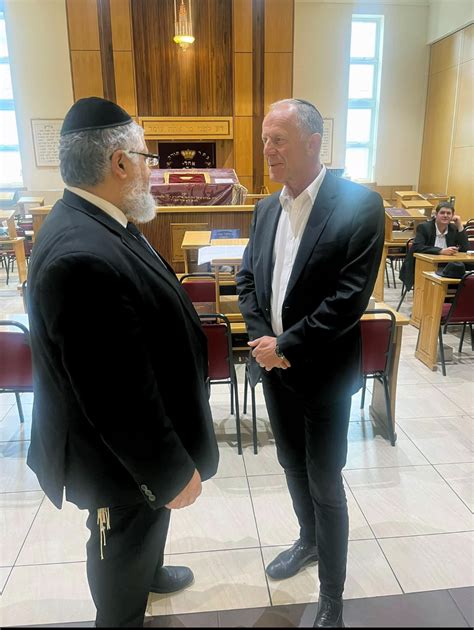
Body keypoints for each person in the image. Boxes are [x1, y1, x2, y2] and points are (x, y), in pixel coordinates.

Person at [26, 97, 219, 627]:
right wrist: (169, 472)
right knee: (121, 540)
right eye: (146, 158)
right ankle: (120, 615)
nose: (151, 170)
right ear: (119, 163)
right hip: (116, 457)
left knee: (145, 526)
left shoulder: (100, 219)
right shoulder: (82, 255)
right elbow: (117, 399)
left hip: (129, 444)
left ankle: (149, 571)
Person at [237, 98, 384, 628]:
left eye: (278, 139)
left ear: (313, 142)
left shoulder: (359, 205)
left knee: (325, 480)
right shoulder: (265, 208)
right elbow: (247, 280)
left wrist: (286, 346)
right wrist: (264, 342)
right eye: (265, 139)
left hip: (323, 374)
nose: (268, 149)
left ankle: (332, 596)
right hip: (274, 371)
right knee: (291, 466)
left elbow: (348, 300)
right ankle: (308, 540)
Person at [399, 202, 469, 292]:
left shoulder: (453, 228)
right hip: (425, 265)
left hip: (447, 266)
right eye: (442, 213)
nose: (445, 216)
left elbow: (465, 249)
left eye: (448, 213)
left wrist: (460, 225)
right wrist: (441, 251)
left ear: (452, 216)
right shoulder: (424, 227)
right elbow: (417, 247)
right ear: (436, 214)